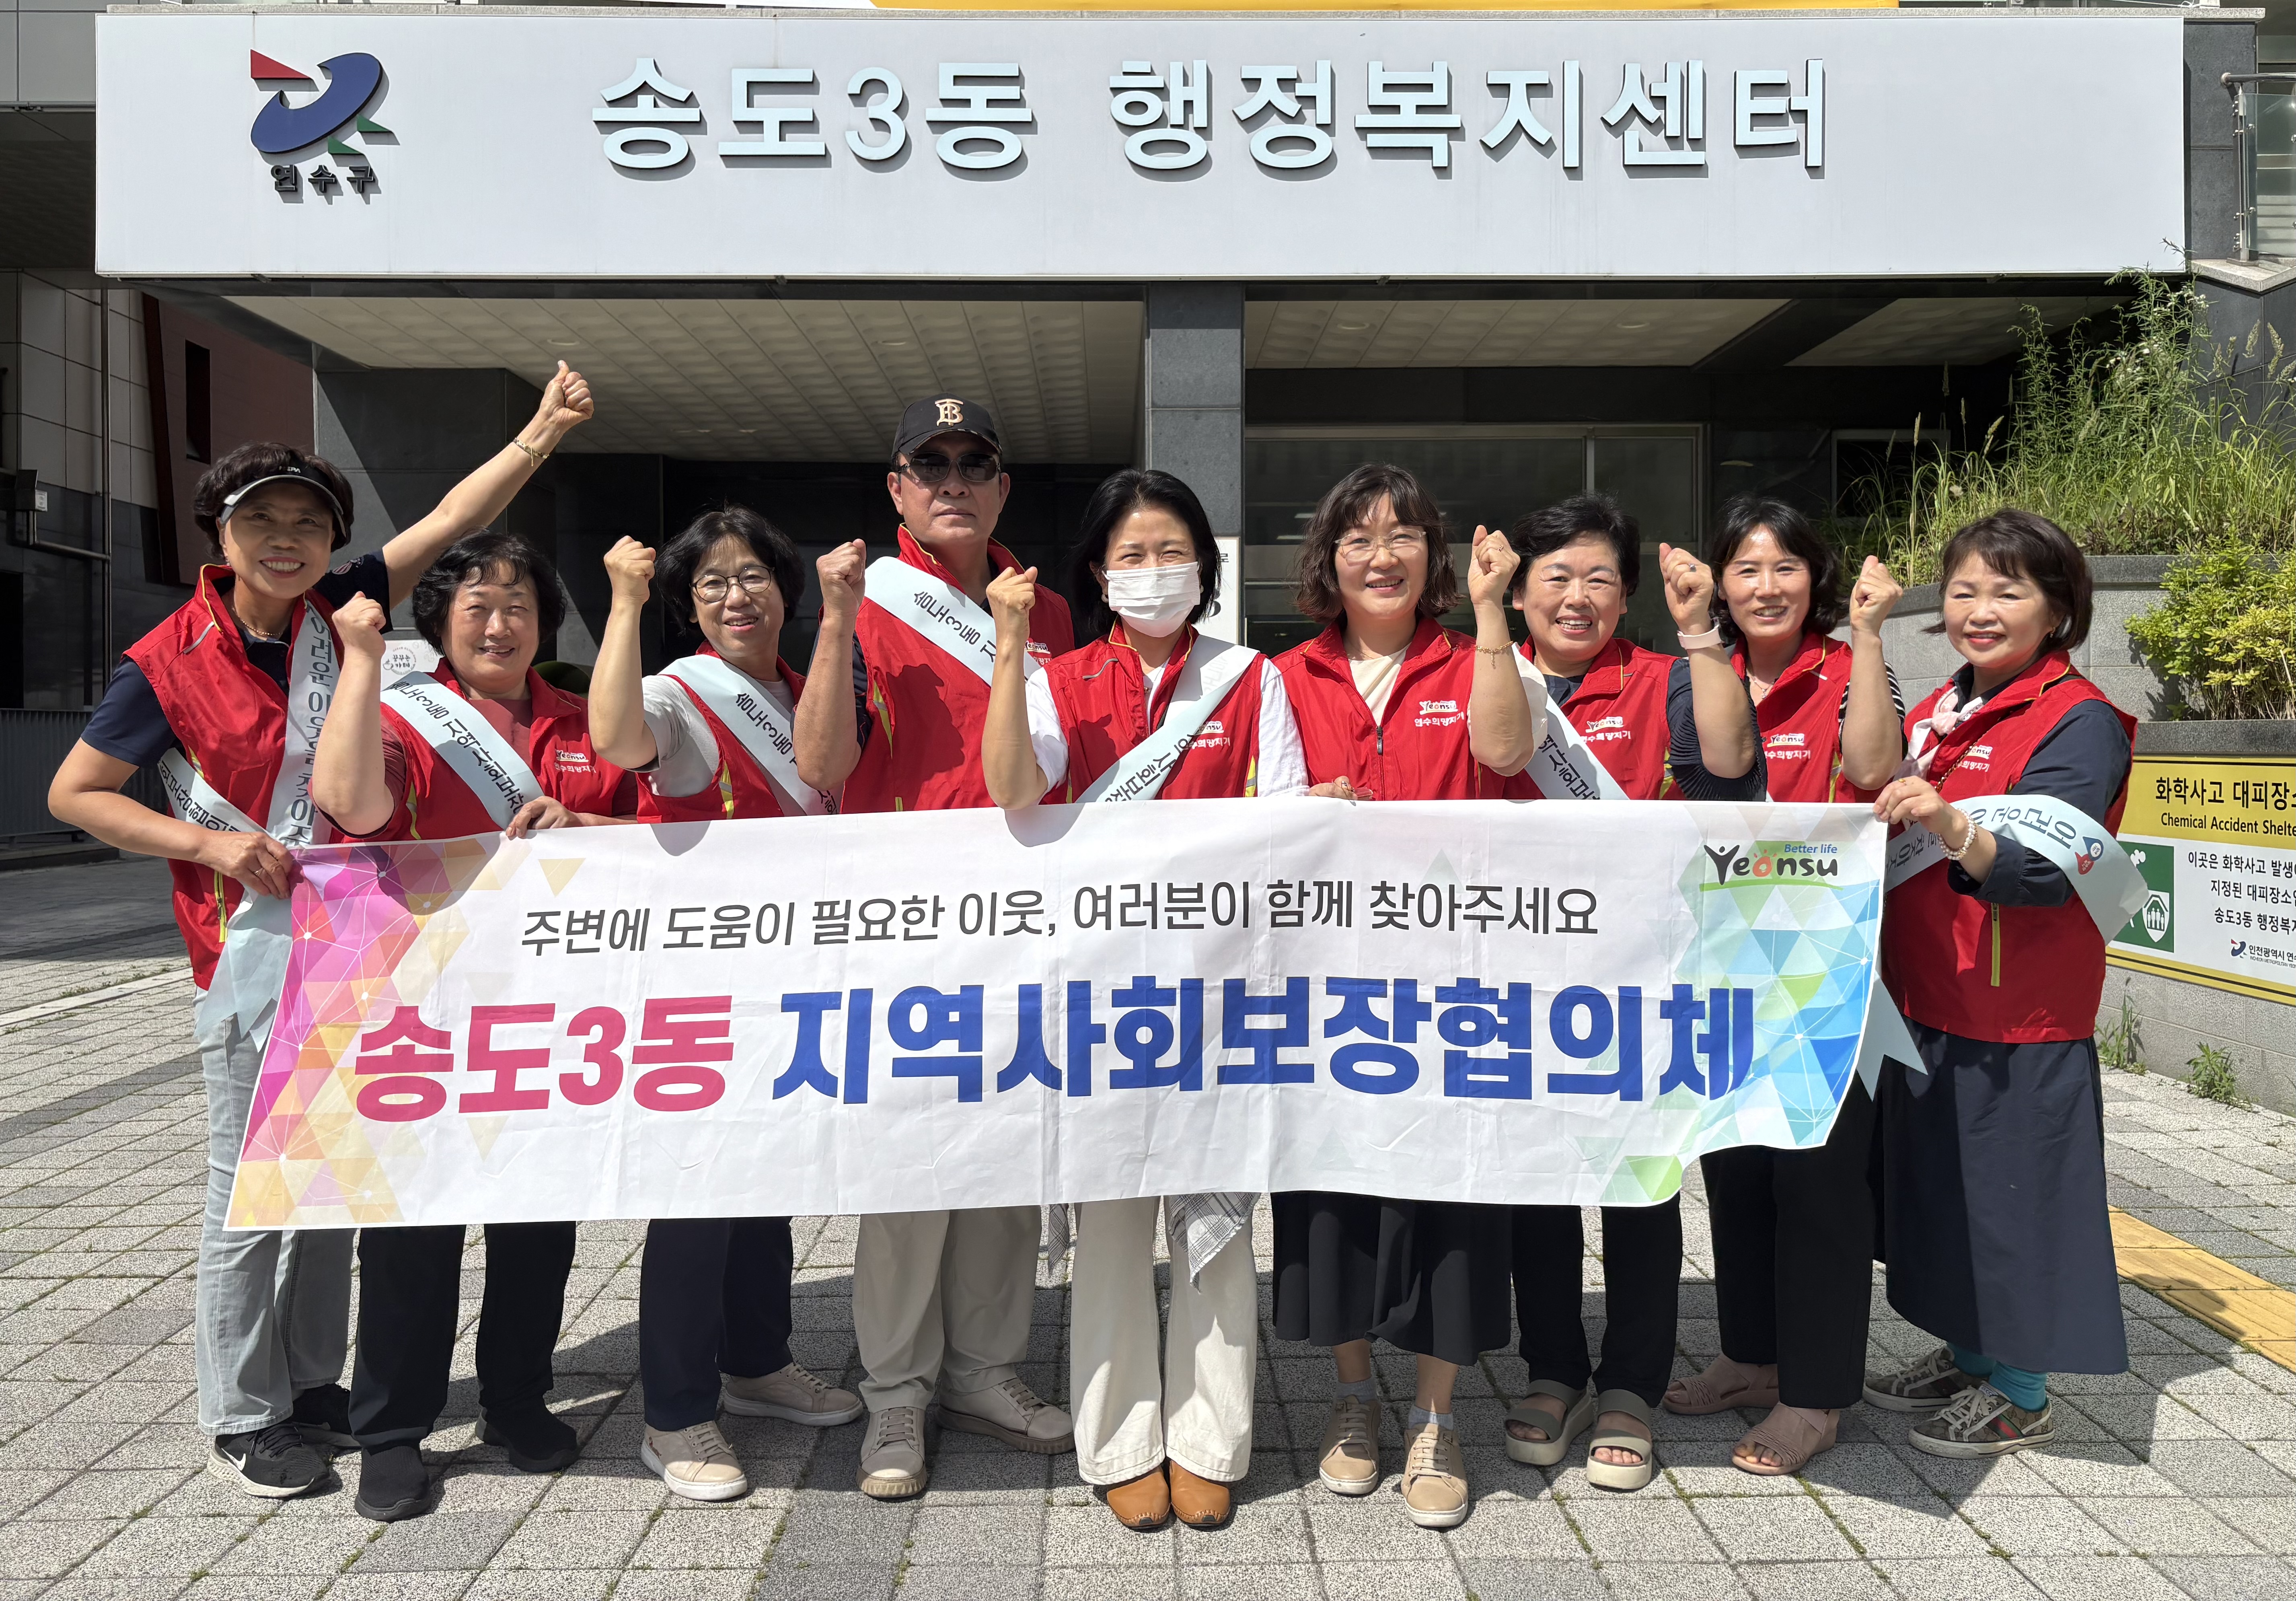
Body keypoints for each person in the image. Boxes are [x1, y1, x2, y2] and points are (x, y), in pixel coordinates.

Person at [45, 366, 594, 1499]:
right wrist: (204, 846)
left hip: (364, 947)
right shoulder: (169, 659)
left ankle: (308, 1387)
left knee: (336, 1178)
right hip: (251, 948)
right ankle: (242, 1413)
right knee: (249, 1187)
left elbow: (450, 518)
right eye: (263, 523)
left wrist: (539, 433)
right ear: (223, 535)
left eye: (309, 523)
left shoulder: (336, 614)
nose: (287, 541)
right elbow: (77, 794)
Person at [980, 468, 1304, 1533]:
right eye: (1129, 554)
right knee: (1114, 1223)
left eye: (1170, 551)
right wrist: (1007, 648)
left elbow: (1287, 819)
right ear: (1096, 571)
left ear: (1203, 570)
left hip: (1220, 993)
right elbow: (1013, 796)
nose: (1151, 570)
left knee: (1214, 1227)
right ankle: (1119, 1437)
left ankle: (1211, 1437)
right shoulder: (1058, 678)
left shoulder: (1249, 677)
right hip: (1100, 995)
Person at [313, 531, 636, 1522]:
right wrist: (361, 666)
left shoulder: (588, 721)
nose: (500, 625)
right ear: (441, 626)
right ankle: (393, 1429)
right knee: (413, 1229)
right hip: (425, 1004)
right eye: (478, 608)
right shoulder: (411, 718)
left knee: (538, 1220)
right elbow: (351, 806)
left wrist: (586, 830)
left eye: (520, 608)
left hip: (554, 1012)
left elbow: (664, 845)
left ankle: (515, 1398)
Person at [793, 396, 1077, 1499]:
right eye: (932, 463)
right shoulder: (860, 600)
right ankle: (897, 1389)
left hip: (1021, 922)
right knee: (909, 1173)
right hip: (901, 923)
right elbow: (821, 765)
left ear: (1002, 485)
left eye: (976, 463)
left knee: (1008, 1163)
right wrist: (828, 622)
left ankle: (985, 1368)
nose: (954, 479)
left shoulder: (1045, 605)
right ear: (897, 486)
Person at [1267, 462, 1543, 1529]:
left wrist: (1486, 614)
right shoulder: (1282, 676)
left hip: (1454, 988)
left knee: (1452, 1200)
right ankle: (1350, 1404)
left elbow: (1504, 750)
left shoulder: (1476, 655)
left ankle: (1435, 1416)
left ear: (1432, 555)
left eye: (1400, 534)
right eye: (1355, 535)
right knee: (1330, 1199)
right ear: (1325, 559)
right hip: (1325, 994)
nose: (1378, 553)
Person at [586, 508, 863, 1501]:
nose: (737, 596)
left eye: (753, 577)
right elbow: (616, 740)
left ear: (786, 591)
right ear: (687, 605)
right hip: (700, 983)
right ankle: (672, 1413)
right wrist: (623, 601)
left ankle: (756, 1363)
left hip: (792, 978)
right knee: (697, 1196)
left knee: (766, 1181)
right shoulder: (675, 693)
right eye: (711, 583)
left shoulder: (806, 690)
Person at [1500, 494, 1762, 1492]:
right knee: (1540, 1188)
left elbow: (1732, 766)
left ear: (1626, 595)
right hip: (1519, 985)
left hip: (1642, 979)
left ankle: (1631, 1387)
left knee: (1641, 1185)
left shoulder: (1664, 678)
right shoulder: (1491, 676)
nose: (1576, 597)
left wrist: (1702, 631)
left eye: (1600, 578)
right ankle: (1553, 1367)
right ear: (1518, 591)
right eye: (1554, 576)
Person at [1862, 510, 2133, 1457]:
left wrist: (1948, 825)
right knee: (1944, 1196)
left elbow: (2050, 871)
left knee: (2015, 1202)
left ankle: (2021, 1390)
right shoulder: (1949, 707)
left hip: (2017, 1012)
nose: (1979, 610)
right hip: (1929, 998)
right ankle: (1970, 1352)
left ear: (2058, 608)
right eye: (1965, 589)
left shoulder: (2079, 722)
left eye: (2008, 591)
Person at [1661, 496, 1904, 1475]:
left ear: (1817, 578)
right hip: (1724, 967)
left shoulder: (1849, 672)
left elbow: (1872, 767)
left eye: (1785, 568)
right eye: (1746, 569)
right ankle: (1750, 1357)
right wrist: (1697, 642)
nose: (1765, 587)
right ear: (1721, 583)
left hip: (1832, 975)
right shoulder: (1698, 674)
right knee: (1737, 1174)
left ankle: (1814, 1397)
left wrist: (1871, 637)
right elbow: (1719, 771)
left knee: (1817, 1185)